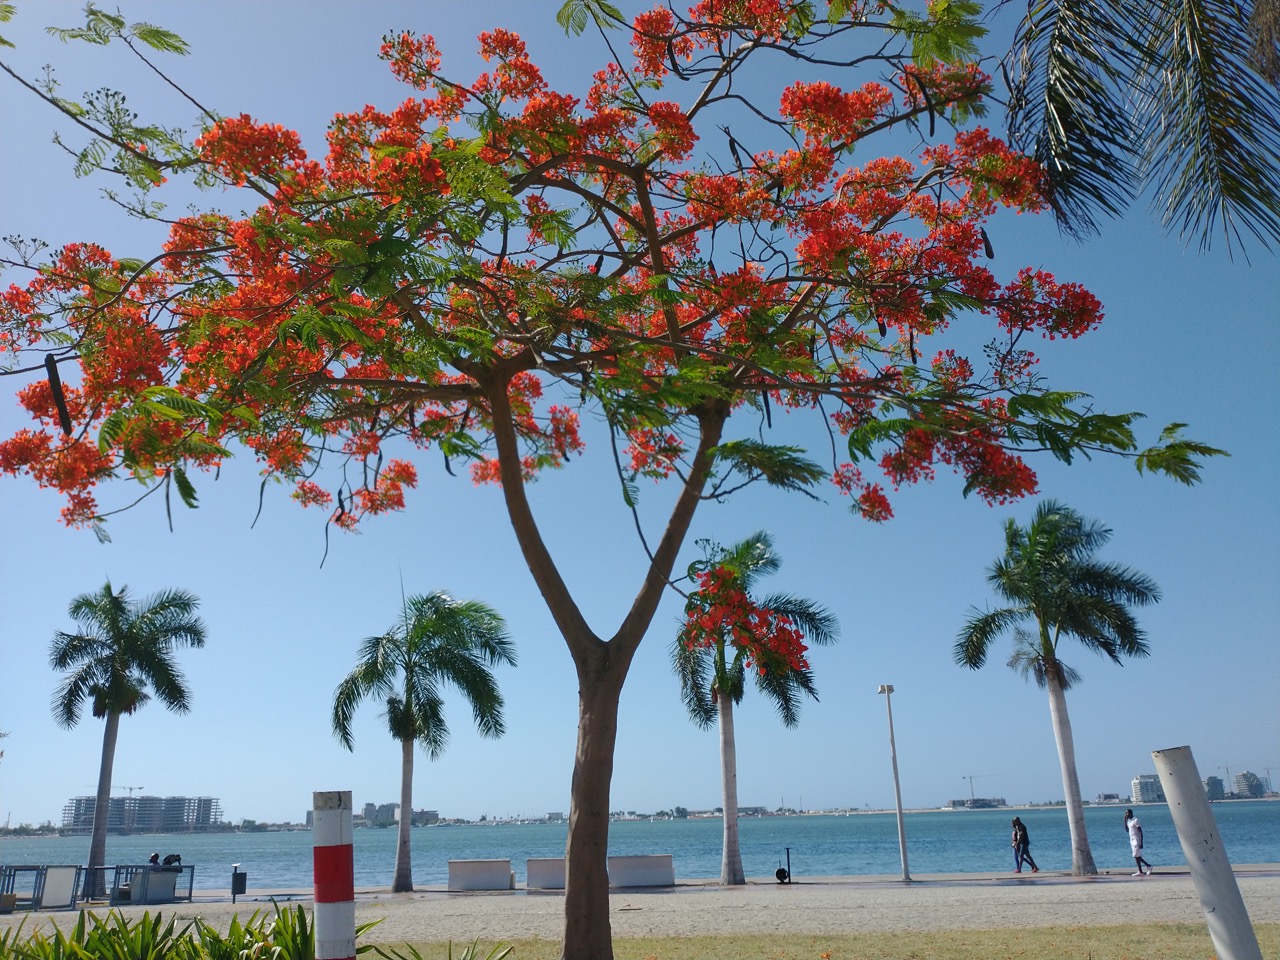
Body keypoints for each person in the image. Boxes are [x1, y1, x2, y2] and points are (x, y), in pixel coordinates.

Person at [1124, 809, 1154, 876]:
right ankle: (1140, 871)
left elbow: (1140, 832)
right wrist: (1124, 821)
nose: (1126, 814)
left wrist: (1141, 842)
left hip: (1136, 839)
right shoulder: (1129, 821)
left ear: (1131, 813)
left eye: (1127, 813)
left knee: (1136, 855)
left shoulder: (1135, 820)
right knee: (1136, 856)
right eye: (1125, 813)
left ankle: (1148, 866)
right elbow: (1126, 830)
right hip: (1131, 840)